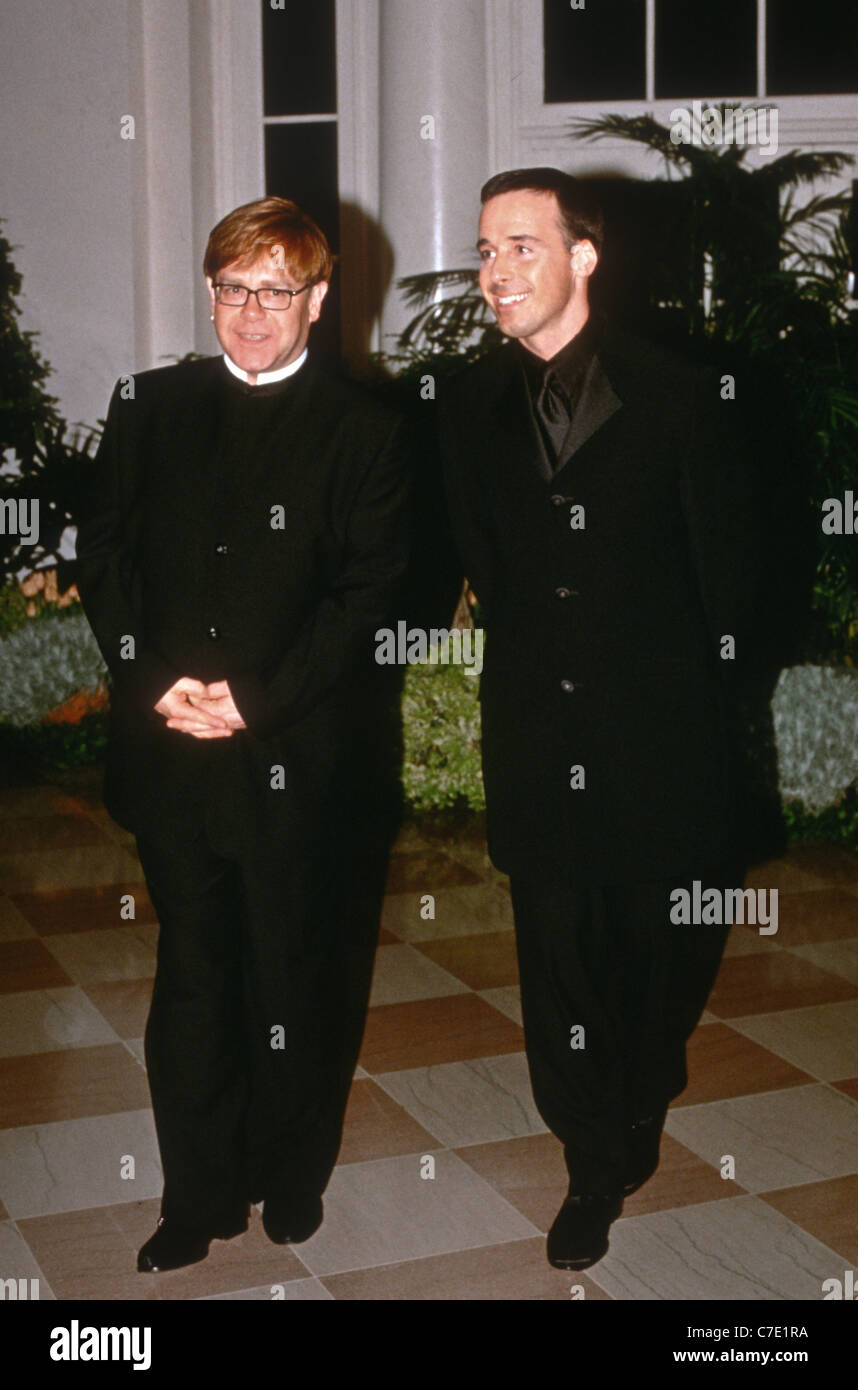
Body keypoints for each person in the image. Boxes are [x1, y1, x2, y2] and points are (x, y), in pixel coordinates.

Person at [439, 168, 774, 1270]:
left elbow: (740, 582)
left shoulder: (684, 394)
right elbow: (472, 563)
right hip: (539, 738)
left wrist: (719, 717)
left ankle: (643, 1079)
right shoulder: (464, 407)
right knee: (562, 960)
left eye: (520, 247)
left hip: (666, 741)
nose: (495, 272)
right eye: (486, 250)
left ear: (585, 256)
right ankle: (593, 1158)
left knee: (663, 958)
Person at [74, 197, 411, 1273]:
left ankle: (290, 1176)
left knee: (296, 974)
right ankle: (197, 1191)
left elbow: (366, 598)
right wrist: (149, 682)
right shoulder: (150, 405)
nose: (251, 312)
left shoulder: (368, 428)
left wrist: (252, 699)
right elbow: (106, 556)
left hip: (297, 758)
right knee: (195, 977)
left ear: (316, 299)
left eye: (275, 290)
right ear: (209, 293)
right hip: (171, 750)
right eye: (233, 288)